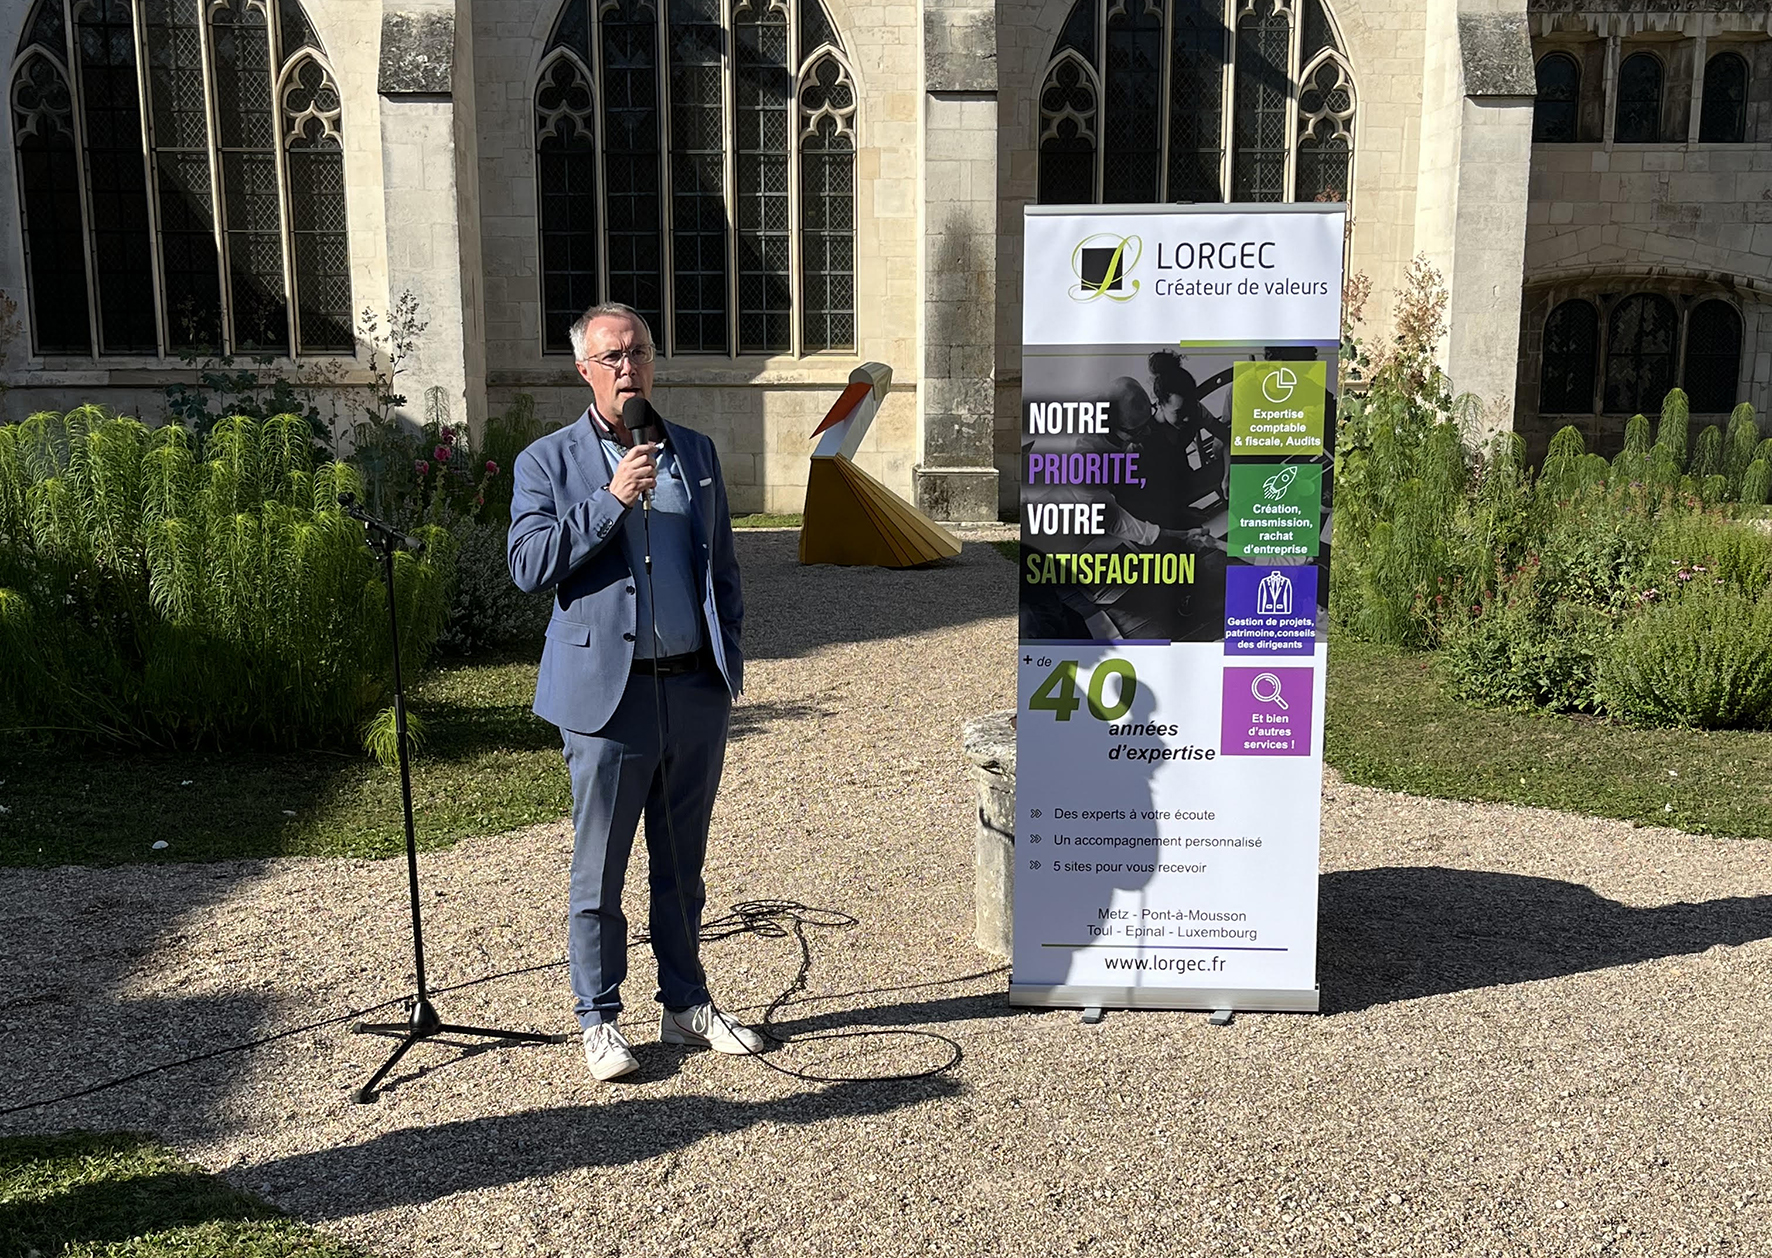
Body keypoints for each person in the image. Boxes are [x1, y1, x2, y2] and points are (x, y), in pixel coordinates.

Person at [507, 302, 762, 1082]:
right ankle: (599, 1017)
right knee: (601, 869)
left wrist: (730, 665)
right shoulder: (546, 462)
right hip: (606, 702)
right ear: (584, 370)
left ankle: (686, 1004)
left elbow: (722, 569)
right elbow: (528, 565)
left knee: (683, 865)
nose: (629, 368)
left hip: (692, 691)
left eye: (640, 353)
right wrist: (611, 498)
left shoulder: (696, 452)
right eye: (612, 357)